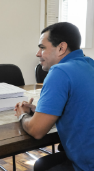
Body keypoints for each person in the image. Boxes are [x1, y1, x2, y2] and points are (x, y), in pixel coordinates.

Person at [14, 22, 94, 171]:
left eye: (42, 47)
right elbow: (80, 107)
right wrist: (40, 110)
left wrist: (23, 115)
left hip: (87, 165)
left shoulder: (59, 71)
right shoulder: (90, 64)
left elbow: (37, 131)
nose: (38, 53)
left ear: (61, 48)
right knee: (41, 165)